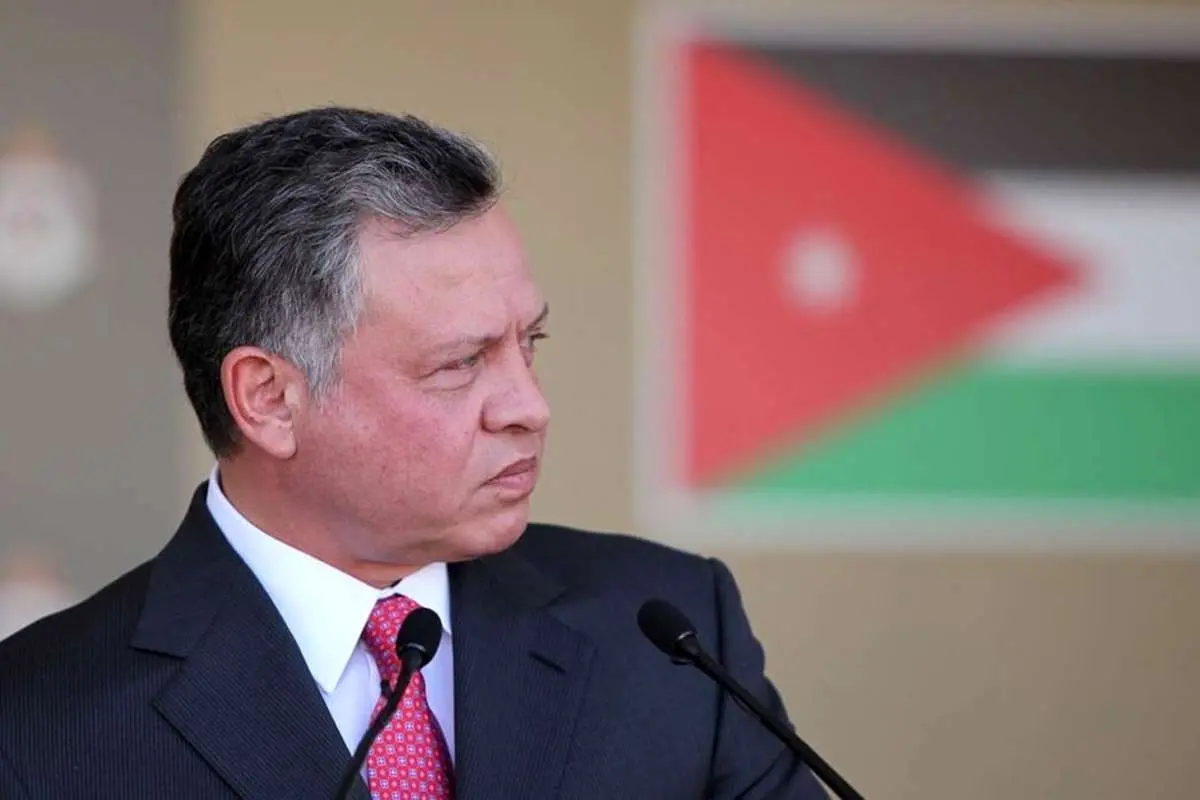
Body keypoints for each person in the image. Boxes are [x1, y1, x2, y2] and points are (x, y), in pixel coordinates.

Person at [0, 107, 827, 799]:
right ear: (270, 399)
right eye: (461, 363)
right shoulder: (36, 726)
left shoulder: (672, 639)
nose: (530, 408)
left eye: (529, 344)